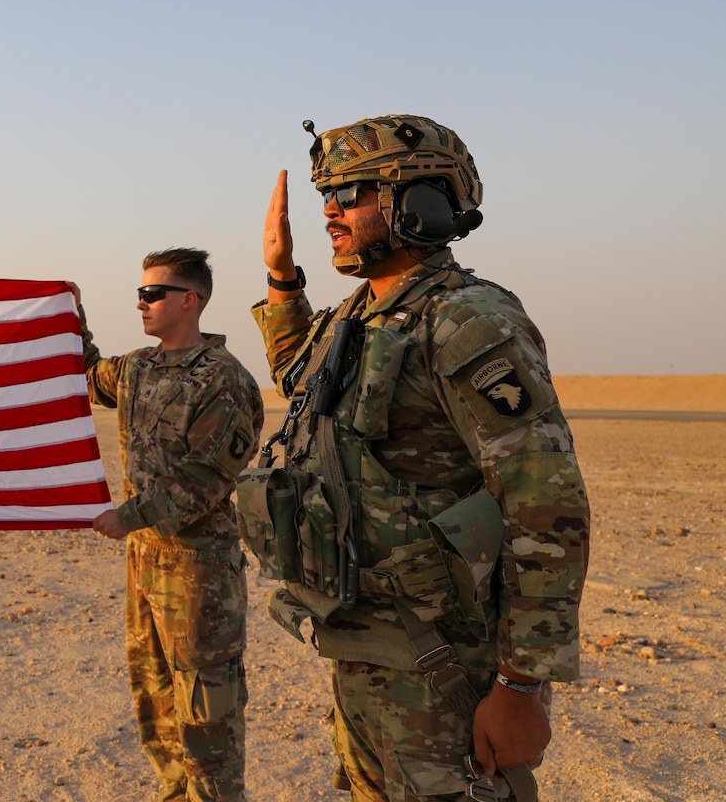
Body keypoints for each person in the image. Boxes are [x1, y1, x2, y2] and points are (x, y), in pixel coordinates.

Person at [240, 115, 590, 802]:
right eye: (325, 195)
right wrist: (282, 280)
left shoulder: (467, 321)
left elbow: (545, 503)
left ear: (421, 204)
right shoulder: (359, 317)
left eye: (353, 191)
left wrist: (520, 685)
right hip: (365, 649)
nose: (330, 210)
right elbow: (299, 376)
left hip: (443, 668)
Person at [76, 248, 265, 802]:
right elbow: (86, 376)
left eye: (152, 293)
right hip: (146, 563)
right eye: (138, 293)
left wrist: (128, 515)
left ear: (190, 300)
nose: (141, 303)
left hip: (198, 574)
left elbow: (207, 476)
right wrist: (70, 314)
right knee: (155, 704)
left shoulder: (225, 380)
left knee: (207, 716)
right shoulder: (138, 367)